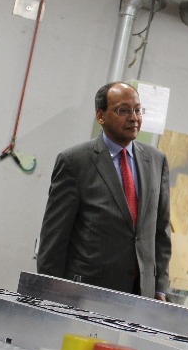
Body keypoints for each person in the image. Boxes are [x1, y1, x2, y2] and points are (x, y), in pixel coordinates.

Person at [37, 82, 171, 301]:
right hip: (85, 293)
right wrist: (49, 292)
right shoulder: (75, 162)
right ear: (100, 116)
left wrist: (160, 287)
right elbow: (54, 238)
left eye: (138, 110)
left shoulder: (156, 160)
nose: (134, 118)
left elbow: (161, 232)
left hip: (140, 296)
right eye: (123, 110)